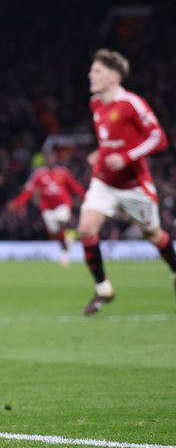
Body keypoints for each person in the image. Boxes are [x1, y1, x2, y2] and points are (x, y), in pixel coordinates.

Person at [77, 49, 176, 315]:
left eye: (96, 71)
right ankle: (103, 289)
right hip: (104, 183)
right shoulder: (96, 104)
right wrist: (102, 153)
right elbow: (108, 138)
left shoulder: (132, 103)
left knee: (153, 235)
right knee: (86, 228)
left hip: (134, 187)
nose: (90, 74)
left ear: (114, 76)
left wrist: (126, 157)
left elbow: (159, 137)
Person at [8, 153, 85, 267]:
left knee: (63, 217)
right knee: (54, 230)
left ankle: (68, 236)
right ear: (45, 161)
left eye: (52, 158)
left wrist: (85, 197)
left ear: (55, 159)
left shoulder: (63, 172)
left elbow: (75, 186)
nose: (50, 161)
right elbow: (29, 191)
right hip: (47, 209)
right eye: (48, 159)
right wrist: (17, 202)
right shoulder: (39, 174)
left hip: (63, 204)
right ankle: (66, 245)